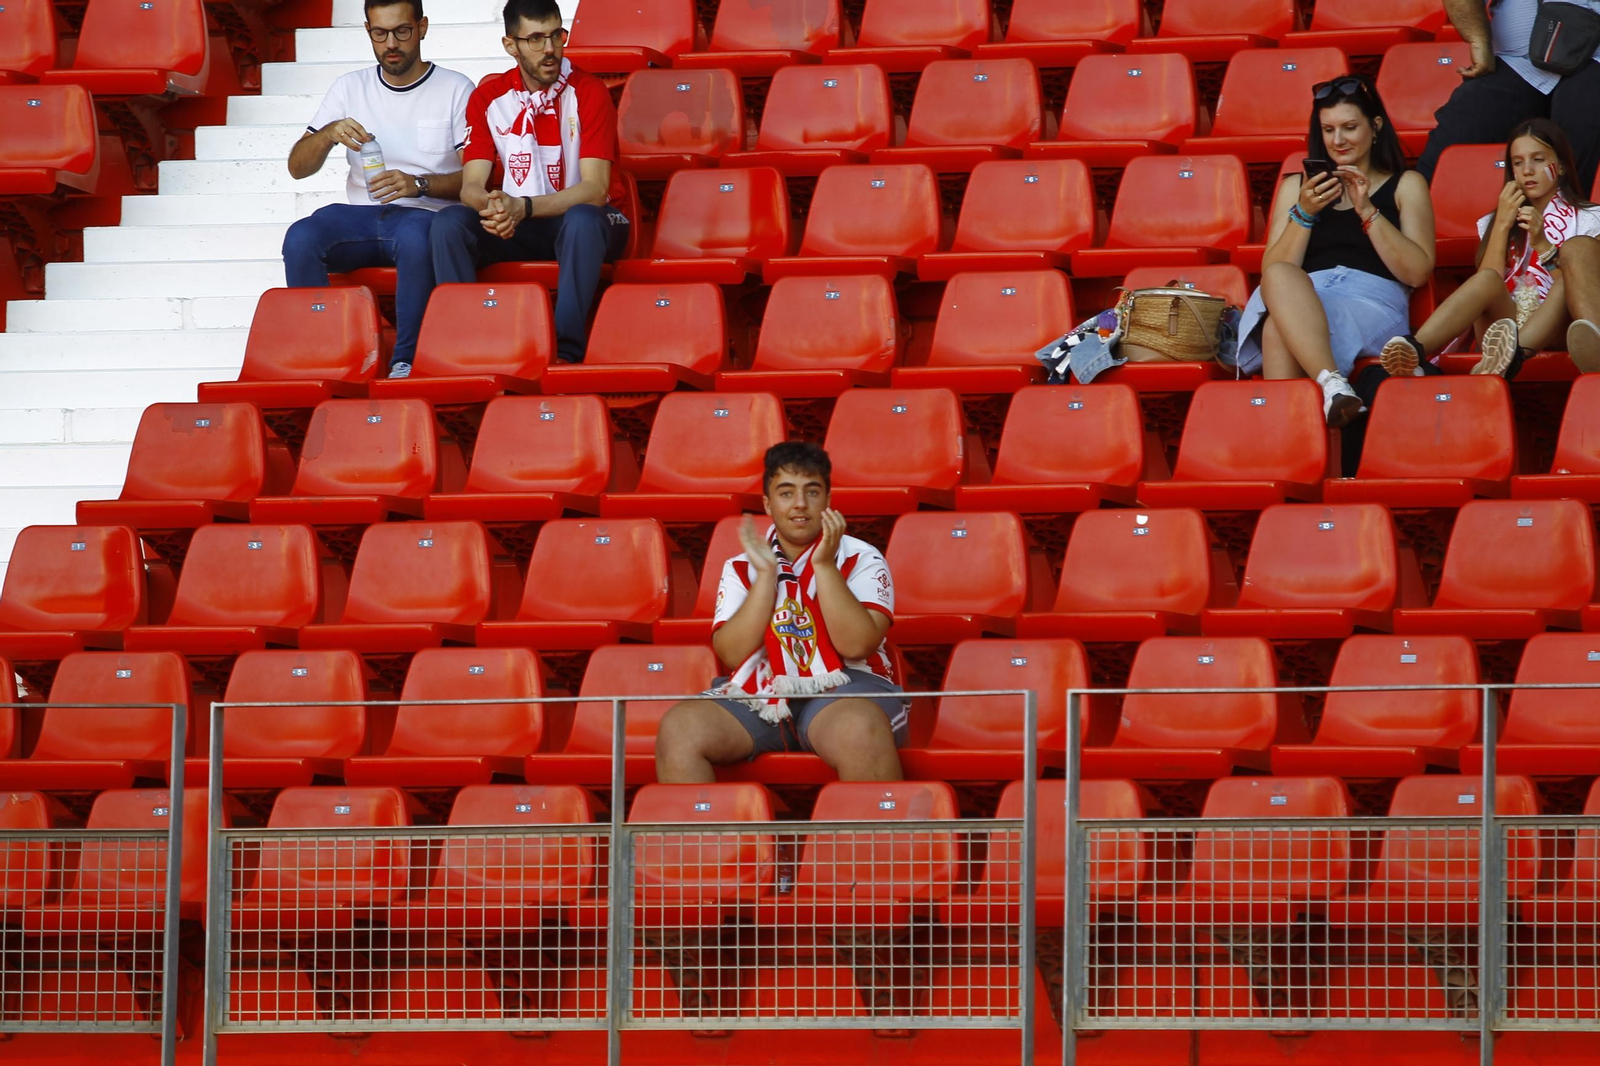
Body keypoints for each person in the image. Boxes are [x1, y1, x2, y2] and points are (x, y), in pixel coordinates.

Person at [655, 443, 907, 784]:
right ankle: (713, 840)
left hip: (851, 687)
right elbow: (731, 653)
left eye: (812, 491)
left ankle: (872, 840)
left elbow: (857, 645)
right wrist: (766, 579)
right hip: (762, 689)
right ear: (767, 504)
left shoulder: (861, 557)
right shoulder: (742, 566)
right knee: (680, 728)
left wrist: (823, 566)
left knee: (858, 730)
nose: (800, 504)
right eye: (786, 493)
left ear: (828, 500)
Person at [429, 0, 631, 365]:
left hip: (587, 222)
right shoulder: (488, 98)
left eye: (556, 35)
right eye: (536, 39)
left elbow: (596, 189)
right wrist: (495, 206)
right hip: (520, 221)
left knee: (583, 219)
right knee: (448, 224)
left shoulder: (589, 92)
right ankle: (470, 347)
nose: (550, 49)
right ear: (511, 46)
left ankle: (565, 352)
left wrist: (524, 207)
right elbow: (470, 185)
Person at [281, 0, 473, 379]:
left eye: (402, 31)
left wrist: (419, 185)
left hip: (425, 215)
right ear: (368, 31)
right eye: (380, 33)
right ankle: (325, 355)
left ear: (422, 27)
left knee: (419, 235)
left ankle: (406, 361)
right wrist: (329, 134)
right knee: (300, 237)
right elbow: (297, 168)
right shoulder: (349, 87)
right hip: (361, 217)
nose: (391, 44)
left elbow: (476, 178)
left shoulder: (455, 88)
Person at [1236, 75, 1436, 427]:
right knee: (1280, 279)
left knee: (1276, 331)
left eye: (1349, 127)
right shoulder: (1296, 188)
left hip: (1373, 300)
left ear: (1375, 127)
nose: (1338, 140)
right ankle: (1332, 385)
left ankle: (1293, 447)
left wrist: (1366, 210)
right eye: (1328, 130)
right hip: (1307, 296)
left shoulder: (1407, 183)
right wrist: (1305, 213)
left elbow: (1418, 272)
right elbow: (1274, 271)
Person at [1380, 119, 1600, 378]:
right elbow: (1490, 280)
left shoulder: (1590, 218)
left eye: (1538, 160)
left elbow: (1579, 292)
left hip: (1562, 329)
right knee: (1484, 279)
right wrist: (1503, 223)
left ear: (1561, 165)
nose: (1527, 170)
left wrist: (1543, 244)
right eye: (1518, 163)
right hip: (1504, 328)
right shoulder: (1493, 222)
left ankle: (1514, 358)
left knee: (1565, 280)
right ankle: (1414, 350)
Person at [1416, 0, 1600, 195]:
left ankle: (1566, 221)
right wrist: (1478, 39)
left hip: (1595, 59)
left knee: (1584, 122)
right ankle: (1406, 218)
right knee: (1460, 129)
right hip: (1516, 61)